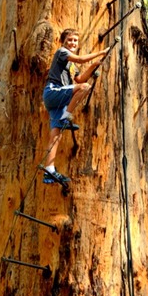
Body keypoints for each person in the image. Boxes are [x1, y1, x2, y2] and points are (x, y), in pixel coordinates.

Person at [42, 28, 110, 185]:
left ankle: (49, 169)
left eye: (75, 40)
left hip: (57, 101)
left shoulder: (71, 64)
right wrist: (100, 53)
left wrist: (93, 66)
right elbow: (80, 60)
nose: (72, 43)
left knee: (56, 135)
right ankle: (67, 116)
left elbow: (79, 78)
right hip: (53, 91)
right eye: (70, 39)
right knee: (85, 88)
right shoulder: (61, 52)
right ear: (63, 41)